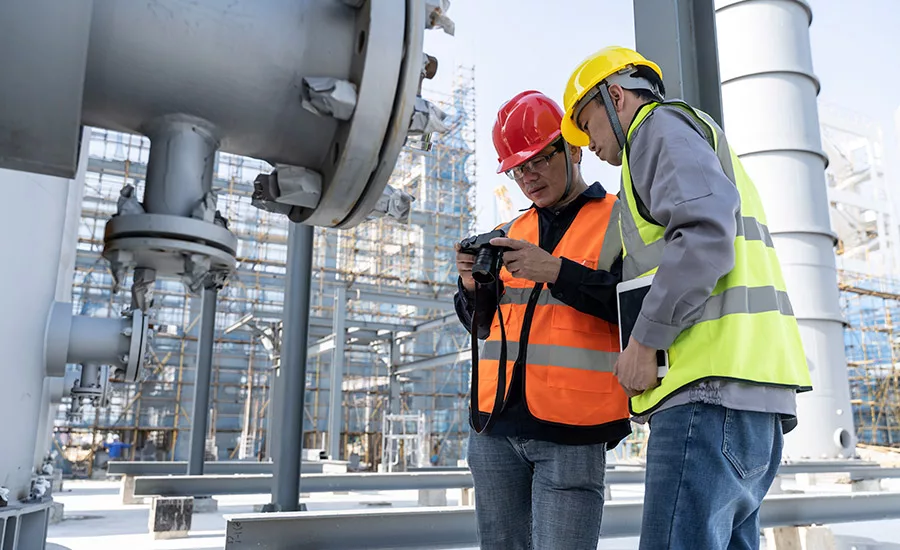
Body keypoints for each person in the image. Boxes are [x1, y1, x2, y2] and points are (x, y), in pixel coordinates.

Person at [559, 46, 814, 549]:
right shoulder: (689, 137)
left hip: (707, 394)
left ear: (615, 96)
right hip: (749, 397)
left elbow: (703, 235)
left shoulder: (656, 130)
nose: (588, 146)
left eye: (588, 127)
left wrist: (645, 342)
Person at [454, 90, 630, 550]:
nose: (527, 177)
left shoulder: (619, 221)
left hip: (571, 432)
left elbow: (638, 309)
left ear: (573, 149)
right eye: (516, 168)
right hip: (494, 430)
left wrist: (555, 272)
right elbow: (482, 324)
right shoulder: (509, 232)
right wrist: (472, 289)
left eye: (537, 160)